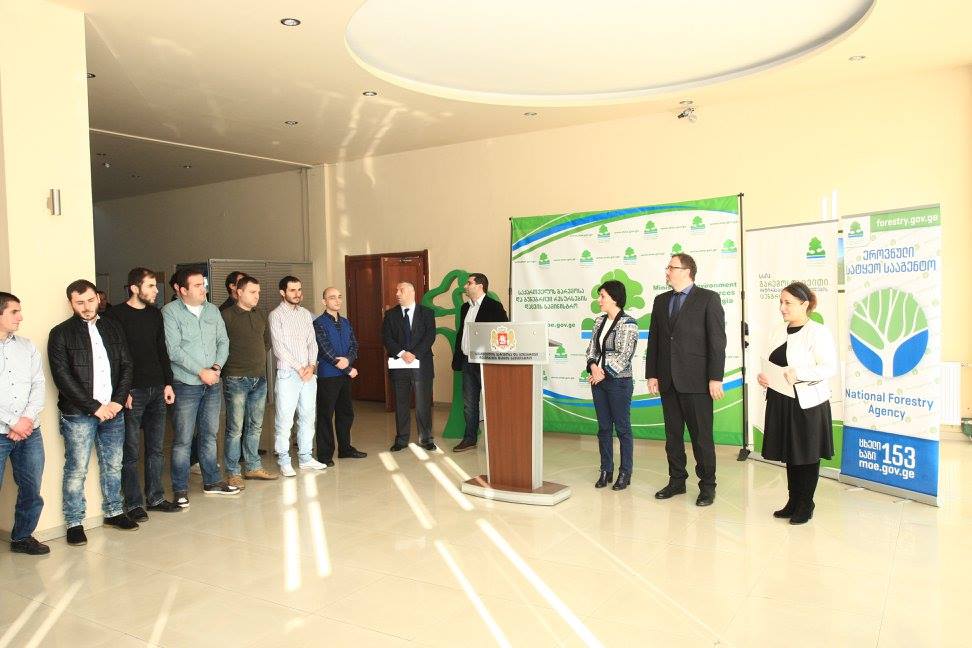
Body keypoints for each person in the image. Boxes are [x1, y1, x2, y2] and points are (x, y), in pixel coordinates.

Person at [49, 279, 137, 545]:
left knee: (113, 464)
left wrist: (118, 401)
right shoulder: (60, 333)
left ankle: (114, 511)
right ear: (71, 303)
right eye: (80, 303)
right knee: (76, 468)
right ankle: (74, 522)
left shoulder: (113, 327)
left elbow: (127, 364)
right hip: (79, 414)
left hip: (113, 410)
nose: (86, 307)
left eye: (90, 300)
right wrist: (95, 407)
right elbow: (62, 378)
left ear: (98, 298)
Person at [646, 253, 727, 506]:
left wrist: (715, 377)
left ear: (686, 271)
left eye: (671, 267)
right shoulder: (661, 301)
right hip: (668, 380)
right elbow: (655, 340)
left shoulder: (708, 298)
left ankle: (708, 486)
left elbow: (717, 342)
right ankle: (677, 481)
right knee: (673, 437)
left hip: (698, 382)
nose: (667, 271)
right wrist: (652, 373)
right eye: (668, 267)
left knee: (701, 438)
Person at [757, 282, 837, 525]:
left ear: (805, 304)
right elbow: (773, 363)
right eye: (781, 302)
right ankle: (793, 501)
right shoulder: (777, 331)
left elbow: (829, 367)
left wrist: (799, 374)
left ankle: (806, 504)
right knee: (792, 453)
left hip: (808, 403)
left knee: (807, 453)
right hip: (782, 400)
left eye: (788, 303)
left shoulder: (818, 332)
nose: (782, 307)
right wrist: (765, 377)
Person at [106, 268, 181, 519]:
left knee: (156, 449)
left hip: (157, 388)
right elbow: (114, 356)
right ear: (134, 288)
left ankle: (156, 497)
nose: (156, 290)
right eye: (150, 286)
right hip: (132, 391)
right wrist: (122, 390)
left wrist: (168, 383)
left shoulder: (155, 314)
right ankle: (133, 503)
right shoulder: (115, 315)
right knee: (130, 451)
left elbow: (162, 350)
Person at [162, 269, 239, 506]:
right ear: (181, 290)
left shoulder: (212, 310)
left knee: (209, 434)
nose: (203, 289)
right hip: (186, 384)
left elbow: (223, 341)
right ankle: (180, 488)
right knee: (183, 439)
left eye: (202, 284)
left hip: (212, 382)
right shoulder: (170, 312)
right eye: (196, 285)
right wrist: (200, 371)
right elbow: (174, 350)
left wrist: (216, 368)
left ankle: (212, 481)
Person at [0, 293, 49, 554]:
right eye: (14, 312)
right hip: (3, 430)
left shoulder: (27, 346)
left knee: (32, 488)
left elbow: (38, 384)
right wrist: (12, 422)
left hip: (30, 431)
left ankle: (22, 537)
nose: (20, 317)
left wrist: (26, 420)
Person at [269, 276, 327, 476]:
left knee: (308, 417)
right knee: (285, 420)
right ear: (282, 292)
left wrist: (311, 365)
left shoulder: (305, 314)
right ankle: (284, 460)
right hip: (288, 374)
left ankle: (305, 457)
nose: (297, 294)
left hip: (308, 374)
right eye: (292, 290)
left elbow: (312, 342)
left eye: (299, 290)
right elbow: (279, 348)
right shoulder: (276, 315)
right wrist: (300, 368)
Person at [222, 274, 277, 484]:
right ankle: (233, 472)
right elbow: (219, 344)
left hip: (259, 378)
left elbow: (266, 342)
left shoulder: (260, 314)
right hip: (236, 378)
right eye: (253, 292)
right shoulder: (226, 316)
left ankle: (253, 467)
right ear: (239, 292)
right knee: (235, 428)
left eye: (258, 292)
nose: (257, 296)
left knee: (255, 426)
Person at [585, 280, 639, 490]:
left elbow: (625, 355)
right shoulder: (598, 321)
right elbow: (592, 349)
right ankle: (606, 470)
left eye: (602, 296)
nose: (599, 300)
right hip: (598, 381)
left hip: (619, 382)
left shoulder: (628, 323)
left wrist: (603, 373)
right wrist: (593, 366)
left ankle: (625, 472)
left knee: (623, 429)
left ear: (614, 298)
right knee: (604, 428)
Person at [450, 273, 508, 453]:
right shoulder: (465, 308)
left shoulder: (494, 306)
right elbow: (462, 334)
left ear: (480, 286)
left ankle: (497, 441)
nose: (465, 286)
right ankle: (470, 439)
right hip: (467, 361)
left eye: (469, 283)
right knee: (469, 404)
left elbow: (502, 332)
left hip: (487, 363)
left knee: (493, 402)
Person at [313, 287, 367, 466]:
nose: (337, 300)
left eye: (339, 297)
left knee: (345, 413)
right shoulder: (318, 323)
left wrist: (348, 360)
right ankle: (325, 455)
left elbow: (354, 345)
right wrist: (346, 368)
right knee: (325, 415)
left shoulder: (345, 322)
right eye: (332, 297)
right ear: (324, 301)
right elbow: (324, 349)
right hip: (328, 376)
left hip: (344, 376)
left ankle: (345, 449)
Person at [382, 282, 436, 452]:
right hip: (399, 365)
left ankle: (426, 438)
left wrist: (414, 353)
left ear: (412, 292)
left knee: (423, 404)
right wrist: (401, 353)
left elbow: (430, 336)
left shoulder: (426, 313)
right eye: (396, 290)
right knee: (401, 404)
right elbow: (386, 337)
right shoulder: (390, 315)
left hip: (422, 364)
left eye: (401, 290)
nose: (397, 293)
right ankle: (401, 439)